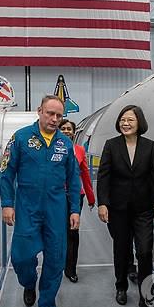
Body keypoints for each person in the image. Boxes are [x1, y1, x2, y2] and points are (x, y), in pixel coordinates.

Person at [0, 95, 81, 307]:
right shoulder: (21, 138)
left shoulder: (65, 144)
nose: (55, 119)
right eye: (50, 113)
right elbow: (7, 173)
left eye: (59, 115)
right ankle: (28, 282)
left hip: (56, 210)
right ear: (39, 111)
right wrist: (7, 204)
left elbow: (74, 179)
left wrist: (75, 209)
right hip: (27, 208)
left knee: (55, 260)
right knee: (21, 257)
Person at [97, 105, 154, 307]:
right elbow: (104, 176)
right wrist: (102, 203)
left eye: (130, 120)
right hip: (118, 209)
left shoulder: (149, 146)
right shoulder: (111, 146)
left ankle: (146, 300)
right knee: (122, 249)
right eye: (122, 120)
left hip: (143, 209)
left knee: (144, 251)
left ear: (139, 123)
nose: (125, 123)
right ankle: (121, 287)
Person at [59, 119, 96, 283]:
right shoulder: (53, 149)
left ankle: (71, 268)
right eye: (63, 128)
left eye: (69, 129)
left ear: (74, 133)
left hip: (75, 196)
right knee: (58, 231)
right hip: (56, 196)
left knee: (73, 232)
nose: (66, 131)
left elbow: (85, 175)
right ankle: (56, 264)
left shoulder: (80, 150)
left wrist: (90, 196)